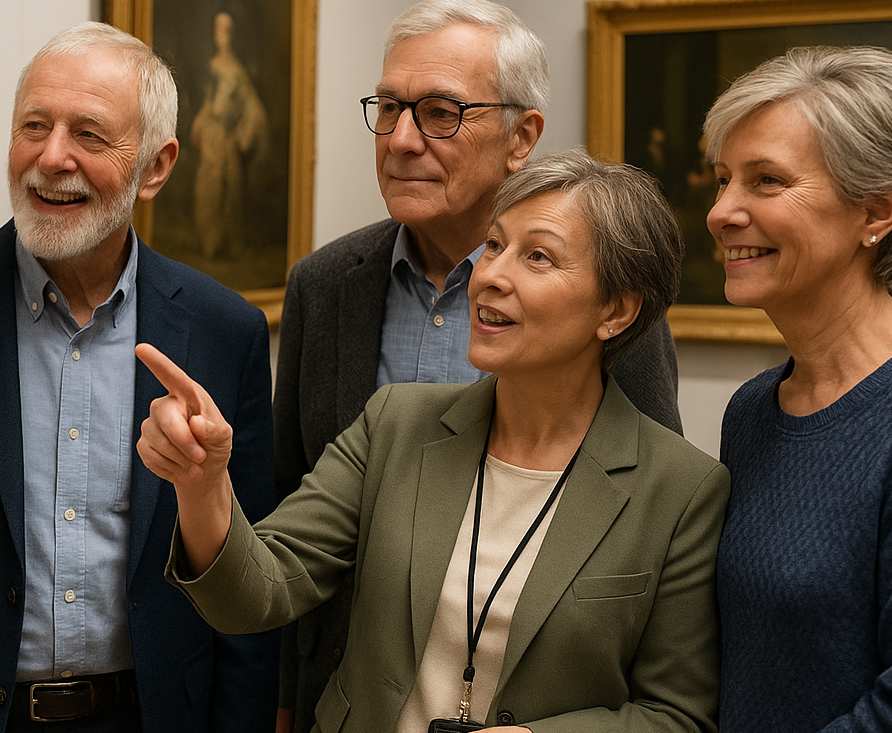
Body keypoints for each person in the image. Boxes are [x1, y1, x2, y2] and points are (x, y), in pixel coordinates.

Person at [139, 149, 726, 733]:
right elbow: (255, 595)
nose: (490, 275)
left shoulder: (681, 491)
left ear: (616, 311)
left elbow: (676, 714)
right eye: (494, 245)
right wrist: (201, 483)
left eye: (538, 256)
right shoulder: (395, 424)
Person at [0, 21, 277, 732]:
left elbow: (252, 588)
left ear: (155, 167)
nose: (51, 158)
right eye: (34, 126)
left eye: (90, 135)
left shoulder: (227, 335)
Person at [273, 0, 684, 733]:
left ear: (522, 135)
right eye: (389, 108)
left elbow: (643, 512)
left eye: (439, 113)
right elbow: (292, 497)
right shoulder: (324, 286)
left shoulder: (596, 303)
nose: (400, 139)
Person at [704, 46, 892, 731]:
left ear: (877, 211)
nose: (722, 211)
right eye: (722, 179)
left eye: (765, 181)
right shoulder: (753, 410)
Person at [191, 11, 268, 259]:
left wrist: (244, 132)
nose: (222, 36)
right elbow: (209, 100)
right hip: (212, 136)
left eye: (226, 30)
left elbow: (252, 107)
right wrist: (199, 122)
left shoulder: (237, 70)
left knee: (230, 190)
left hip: (226, 137)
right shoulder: (212, 65)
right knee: (209, 188)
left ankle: (229, 244)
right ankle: (210, 244)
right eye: (218, 29)